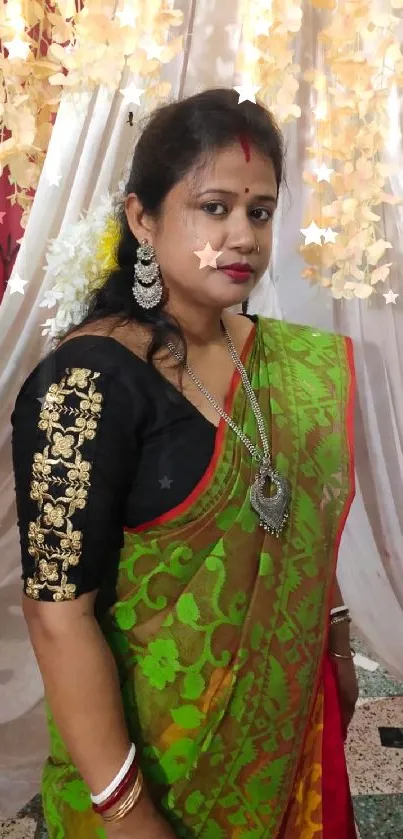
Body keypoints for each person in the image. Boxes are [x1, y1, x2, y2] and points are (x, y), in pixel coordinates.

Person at [11, 87, 359, 839]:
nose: (240, 236)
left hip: (277, 739)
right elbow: (55, 614)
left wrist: (331, 638)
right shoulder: (83, 386)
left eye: (258, 212)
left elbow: (298, 514)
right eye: (213, 207)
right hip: (150, 771)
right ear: (142, 218)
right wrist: (128, 813)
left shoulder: (277, 360)